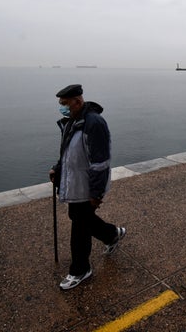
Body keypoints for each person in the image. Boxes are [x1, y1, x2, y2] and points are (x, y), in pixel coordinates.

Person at [49, 84, 126, 290]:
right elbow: (67, 153)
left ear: (78, 101)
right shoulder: (71, 121)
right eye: (60, 104)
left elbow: (100, 162)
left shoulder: (94, 123)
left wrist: (96, 193)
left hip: (86, 187)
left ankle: (81, 270)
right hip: (75, 184)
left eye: (64, 104)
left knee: (80, 226)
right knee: (79, 218)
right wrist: (57, 168)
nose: (62, 108)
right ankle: (112, 234)